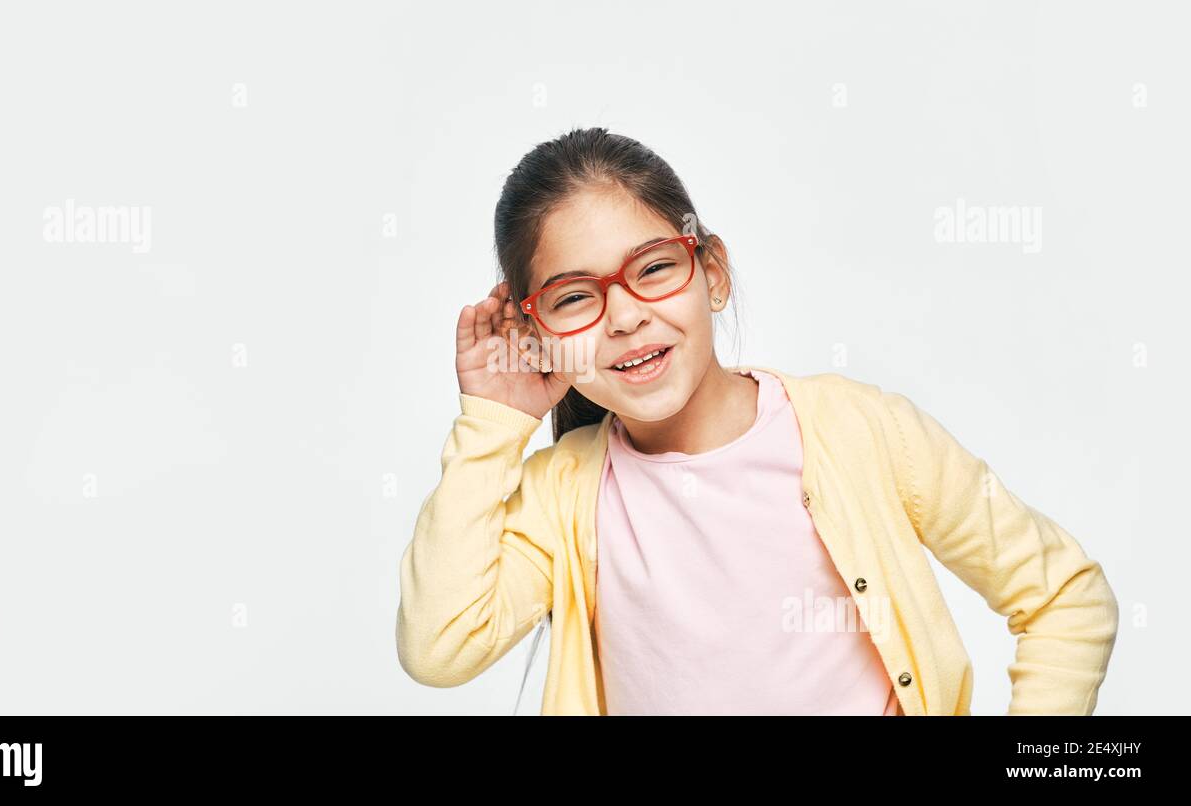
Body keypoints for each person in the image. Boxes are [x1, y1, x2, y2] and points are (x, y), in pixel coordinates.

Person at [395, 127, 1119, 716]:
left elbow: (1064, 596)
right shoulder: (561, 498)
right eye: (575, 297)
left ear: (712, 272)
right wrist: (493, 422)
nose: (623, 316)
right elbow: (439, 646)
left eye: (652, 269)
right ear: (538, 329)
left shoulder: (862, 431)